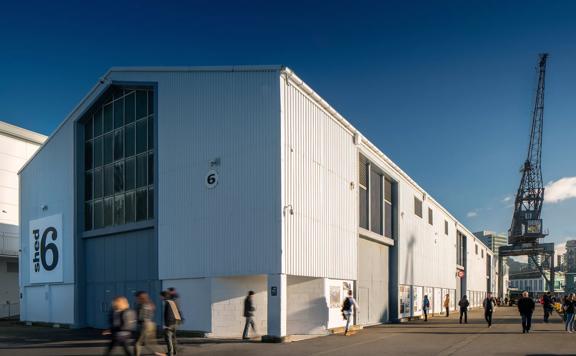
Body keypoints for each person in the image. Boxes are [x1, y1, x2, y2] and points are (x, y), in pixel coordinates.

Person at [134, 291, 164, 356]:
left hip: (144, 325)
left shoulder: (142, 305)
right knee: (150, 343)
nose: (136, 299)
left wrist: (135, 319)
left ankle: (162, 354)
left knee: (138, 343)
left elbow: (141, 316)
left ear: (140, 297)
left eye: (137, 297)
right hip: (151, 324)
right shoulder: (150, 304)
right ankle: (161, 353)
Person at [161, 290, 181, 356]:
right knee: (173, 338)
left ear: (163, 296)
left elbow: (168, 314)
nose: (160, 297)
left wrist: (167, 325)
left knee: (168, 338)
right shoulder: (173, 301)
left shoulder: (167, 302)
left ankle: (170, 352)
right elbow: (177, 311)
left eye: (161, 296)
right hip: (175, 322)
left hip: (170, 323)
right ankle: (175, 351)